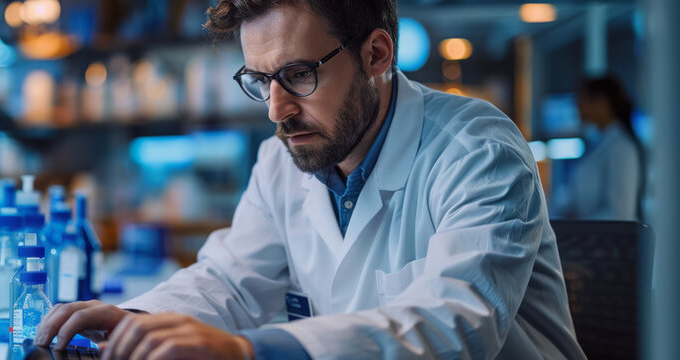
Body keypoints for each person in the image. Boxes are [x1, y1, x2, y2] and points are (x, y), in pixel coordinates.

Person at [36, 1, 586, 358]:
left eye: (298, 75)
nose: (277, 110)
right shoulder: (284, 158)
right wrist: (137, 320)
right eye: (260, 80)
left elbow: (454, 327)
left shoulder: (477, 152)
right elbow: (230, 280)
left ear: (376, 54)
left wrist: (249, 353)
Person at [555, 76, 644, 221]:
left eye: (582, 98)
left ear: (602, 101)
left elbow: (620, 214)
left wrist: (578, 227)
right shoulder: (599, 143)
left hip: (609, 241)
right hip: (594, 238)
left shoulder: (621, 147)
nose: (576, 105)